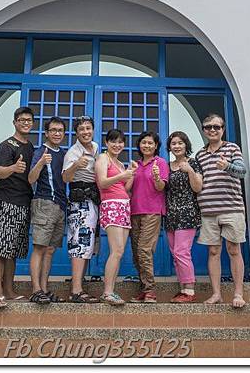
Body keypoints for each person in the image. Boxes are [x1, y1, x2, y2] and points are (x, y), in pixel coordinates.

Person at [195, 114, 247, 308]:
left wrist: (227, 166)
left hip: (231, 208)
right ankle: (216, 294)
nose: (212, 130)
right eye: (208, 127)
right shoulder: (200, 154)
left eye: (216, 127)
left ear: (223, 129)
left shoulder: (232, 148)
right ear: (204, 130)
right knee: (213, 251)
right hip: (208, 210)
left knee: (233, 249)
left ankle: (238, 294)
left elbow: (242, 171)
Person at [0, 107, 35, 308]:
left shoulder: (30, 147)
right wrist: (14, 168)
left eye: (29, 120)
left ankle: (9, 290)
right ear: (15, 122)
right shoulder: (6, 145)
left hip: (24, 201)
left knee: (13, 249)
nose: (26, 123)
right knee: (2, 247)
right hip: (7, 201)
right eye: (22, 120)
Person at [28, 117, 67, 304]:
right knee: (39, 248)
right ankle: (36, 290)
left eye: (60, 130)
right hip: (44, 203)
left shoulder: (64, 153)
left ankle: (44, 289)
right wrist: (41, 162)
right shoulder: (40, 152)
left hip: (60, 205)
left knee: (50, 250)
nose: (57, 133)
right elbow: (31, 179)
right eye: (53, 130)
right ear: (46, 133)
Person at [95, 129, 136, 306]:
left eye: (120, 142)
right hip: (111, 205)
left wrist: (131, 173)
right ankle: (107, 292)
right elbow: (102, 182)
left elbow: (125, 188)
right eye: (113, 141)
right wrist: (123, 175)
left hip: (124, 206)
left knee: (119, 252)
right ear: (106, 143)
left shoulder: (119, 163)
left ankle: (111, 290)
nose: (117, 145)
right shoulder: (103, 158)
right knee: (116, 251)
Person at [62, 115, 100, 303]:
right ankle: (76, 290)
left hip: (93, 201)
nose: (86, 132)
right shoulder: (73, 152)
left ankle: (79, 286)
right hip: (80, 204)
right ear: (76, 133)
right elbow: (65, 178)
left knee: (88, 245)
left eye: (88, 128)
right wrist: (76, 165)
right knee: (79, 244)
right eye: (81, 129)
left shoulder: (96, 147)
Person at [129, 131, 169, 303]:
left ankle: (150, 291)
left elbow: (161, 188)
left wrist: (157, 177)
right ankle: (143, 288)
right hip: (134, 212)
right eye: (143, 142)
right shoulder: (135, 165)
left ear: (156, 146)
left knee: (144, 250)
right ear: (139, 145)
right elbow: (128, 188)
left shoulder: (160, 163)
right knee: (136, 253)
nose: (146, 145)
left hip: (152, 211)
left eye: (150, 143)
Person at [165, 131, 203, 303]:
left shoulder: (193, 163)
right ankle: (183, 289)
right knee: (175, 254)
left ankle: (189, 289)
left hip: (187, 213)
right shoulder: (167, 166)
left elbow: (198, 187)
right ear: (169, 147)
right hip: (171, 214)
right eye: (173, 143)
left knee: (182, 252)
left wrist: (189, 171)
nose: (177, 146)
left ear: (186, 145)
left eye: (180, 143)